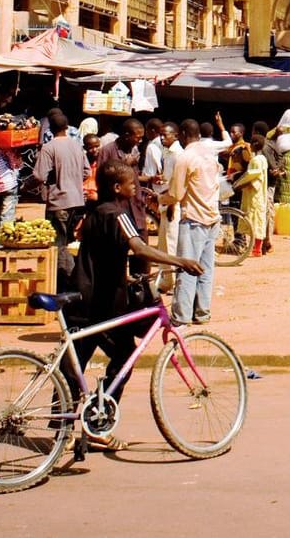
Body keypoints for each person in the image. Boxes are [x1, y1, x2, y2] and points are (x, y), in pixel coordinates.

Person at [67, 161, 204, 451]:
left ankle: (64, 429)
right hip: (103, 305)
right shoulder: (118, 215)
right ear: (118, 188)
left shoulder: (94, 214)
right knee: (124, 356)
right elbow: (140, 247)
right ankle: (99, 424)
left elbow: (103, 255)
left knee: (73, 367)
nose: (136, 188)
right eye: (132, 184)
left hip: (82, 298)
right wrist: (182, 262)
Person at [166, 121, 225, 325]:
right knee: (206, 270)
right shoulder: (209, 153)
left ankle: (181, 316)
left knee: (187, 269)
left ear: (182, 134)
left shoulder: (185, 158)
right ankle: (202, 313)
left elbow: (176, 194)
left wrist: (158, 199)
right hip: (212, 217)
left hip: (193, 220)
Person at [33, 109, 91, 280]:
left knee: (58, 244)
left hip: (59, 201)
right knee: (70, 243)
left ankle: (67, 280)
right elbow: (86, 172)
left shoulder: (49, 147)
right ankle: (75, 277)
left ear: (50, 129)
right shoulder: (77, 146)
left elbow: (39, 175)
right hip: (78, 201)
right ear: (67, 127)